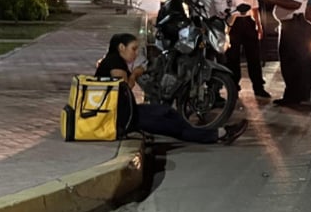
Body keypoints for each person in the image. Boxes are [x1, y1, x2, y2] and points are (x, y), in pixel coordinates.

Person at [95, 33, 247, 145]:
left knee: (168, 112)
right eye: (133, 49)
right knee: (174, 127)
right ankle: (219, 134)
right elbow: (124, 87)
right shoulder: (115, 62)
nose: (135, 53)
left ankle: (214, 132)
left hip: (129, 112)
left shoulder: (114, 60)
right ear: (121, 47)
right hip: (124, 118)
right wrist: (134, 74)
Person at [226, 0, 270, 99]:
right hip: (234, 22)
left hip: (248, 22)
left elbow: (255, 8)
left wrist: (258, 25)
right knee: (233, 57)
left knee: (254, 56)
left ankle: (258, 87)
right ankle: (234, 86)